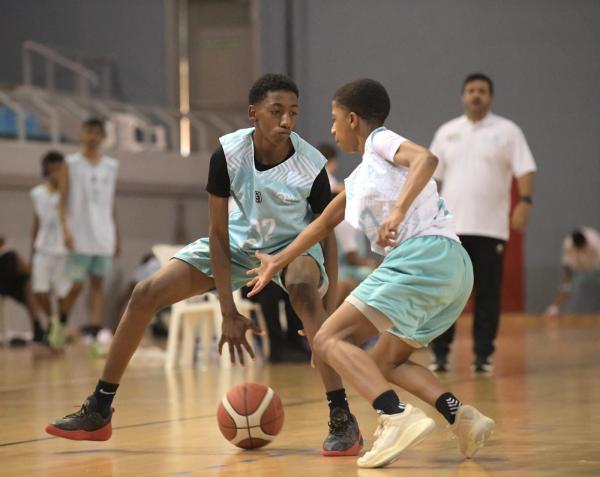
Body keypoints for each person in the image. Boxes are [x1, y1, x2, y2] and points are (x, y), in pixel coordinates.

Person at [46, 74, 363, 457]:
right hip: (239, 243)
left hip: (294, 247)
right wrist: (228, 309)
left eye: (293, 113)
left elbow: (326, 233)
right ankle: (99, 408)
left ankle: (341, 416)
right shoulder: (227, 154)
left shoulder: (310, 164)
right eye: (276, 111)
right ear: (253, 113)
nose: (286, 121)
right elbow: (217, 232)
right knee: (145, 293)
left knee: (304, 296)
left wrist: (328, 314)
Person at [246, 79, 495, 468]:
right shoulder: (361, 178)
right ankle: (460, 416)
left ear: (352, 119)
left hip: (424, 255)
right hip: (452, 267)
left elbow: (426, 159)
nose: (332, 129)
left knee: (327, 338)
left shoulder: (380, 140)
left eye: (334, 119)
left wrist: (397, 212)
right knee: (384, 362)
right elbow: (321, 224)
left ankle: (394, 416)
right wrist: (278, 261)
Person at [429, 73, 537, 373]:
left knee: (488, 294)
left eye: (482, 91)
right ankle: (440, 353)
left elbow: (525, 169)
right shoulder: (447, 132)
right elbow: (432, 176)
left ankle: (483, 355)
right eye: (471, 90)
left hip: (491, 230)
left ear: (491, 97)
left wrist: (525, 201)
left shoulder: (508, 131)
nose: (476, 95)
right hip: (450, 229)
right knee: (446, 294)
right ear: (463, 96)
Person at [61, 118, 120, 345]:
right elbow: (62, 201)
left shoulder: (111, 166)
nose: (93, 136)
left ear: (103, 137)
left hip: (103, 235)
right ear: (82, 133)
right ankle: (59, 323)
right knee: (76, 285)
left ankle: (94, 333)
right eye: (89, 131)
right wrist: (65, 230)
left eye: (97, 132)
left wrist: (116, 234)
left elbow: (111, 203)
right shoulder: (71, 163)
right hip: (79, 235)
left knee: (97, 286)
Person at [30, 151, 74, 350]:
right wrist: (32, 250)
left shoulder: (69, 194)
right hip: (43, 249)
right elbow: (36, 223)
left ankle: (60, 329)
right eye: (52, 168)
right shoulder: (37, 194)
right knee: (39, 290)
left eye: (59, 168)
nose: (56, 172)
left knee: (62, 293)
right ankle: (52, 320)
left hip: (63, 250)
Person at [545, 227, 600, 315]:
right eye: (578, 249)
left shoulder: (595, 242)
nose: (580, 251)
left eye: (582, 248)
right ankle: (554, 308)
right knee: (566, 284)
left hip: (597, 268)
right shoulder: (568, 244)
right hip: (579, 268)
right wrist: (568, 278)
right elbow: (567, 267)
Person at [0, 237, 45, 344]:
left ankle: (38, 328)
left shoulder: (10, 256)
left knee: (30, 291)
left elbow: (26, 270)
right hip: (5, 286)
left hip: (17, 284)